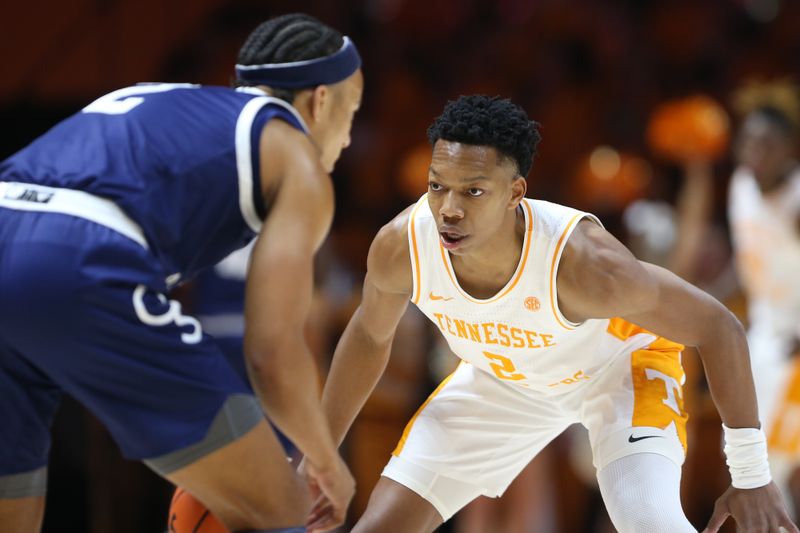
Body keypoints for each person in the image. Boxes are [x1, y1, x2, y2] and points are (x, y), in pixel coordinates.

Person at [313, 95, 797, 533]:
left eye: (473, 191)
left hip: (617, 373)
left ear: (515, 192)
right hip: (503, 381)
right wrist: (320, 457)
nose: (449, 210)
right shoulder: (404, 244)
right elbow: (370, 338)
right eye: (438, 187)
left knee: (650, 522)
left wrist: (751, 474)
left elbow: (718, 325)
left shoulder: (588, 264)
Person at [0, 13, 362, 533]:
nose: (348, 139)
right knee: (282, 509)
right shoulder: (293, 153)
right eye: (351, 113)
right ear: (321, 100)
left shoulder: (164, 99)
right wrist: (326, 463)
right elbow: (271, 354)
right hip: (77, 255)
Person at [727, 80, 800, 516]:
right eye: (749, 142)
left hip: (793, 345)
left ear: (789, 148)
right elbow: (750, 266)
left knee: (765, 465)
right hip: (762, 338)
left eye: (767, 144)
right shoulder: (740, 185)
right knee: (753, 463)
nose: (755, 152)